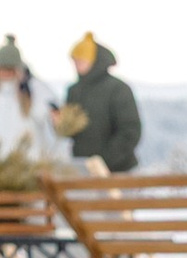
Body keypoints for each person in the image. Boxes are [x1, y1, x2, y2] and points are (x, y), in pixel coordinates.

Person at [60, 34, 142, 172]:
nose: (76, 65)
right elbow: (72, 132)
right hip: (83, 169)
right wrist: (61, 124)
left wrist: (104, 161)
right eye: (75, 61)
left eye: (81, 60)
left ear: (95, 60)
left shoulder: (118, 89)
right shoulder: (74, 91)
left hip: (119, 171)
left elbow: (130, 131)